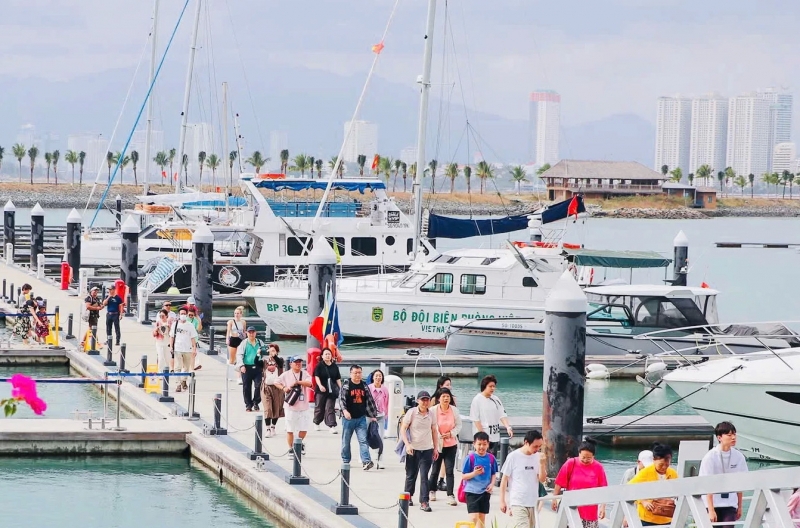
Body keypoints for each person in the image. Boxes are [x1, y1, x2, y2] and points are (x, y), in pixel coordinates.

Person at [699, 422, 748, 526]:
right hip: (712, 504)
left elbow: (741, 482)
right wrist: (711, 510)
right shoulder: (710, 457)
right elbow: (707, 484)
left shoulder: (739, 456)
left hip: (730, 503)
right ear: (719, 437)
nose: (733, 437)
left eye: (734, 434)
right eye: (729, 435)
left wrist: (739, 506)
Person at [552, 439, 608, 528]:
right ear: (579, 454)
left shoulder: (598, 467)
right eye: (583, 457)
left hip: (590, 510)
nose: (585, 460)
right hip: (572, 507)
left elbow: (604, 489)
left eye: (589, 458)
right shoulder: (571, 463)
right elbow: (559, 482)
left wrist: (603, 507)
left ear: (593, 456)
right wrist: (554, 498)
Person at [399, 390, 439, 512]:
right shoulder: (411, 413)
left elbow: (434, 431)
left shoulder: (431, 414)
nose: (425, 402)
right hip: (413, 449)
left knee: (424, 476)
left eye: (427, 400)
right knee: (411, 475)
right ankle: (408, 496)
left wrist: (436, 448)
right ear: (418, 401)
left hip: (427, 449)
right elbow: (403, 429)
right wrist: (407, 444)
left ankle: (424, 501)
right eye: (423, 400)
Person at [500, 430, 547, 528]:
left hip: (533, 501)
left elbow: (542, 480)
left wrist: (542, 464)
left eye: (539, 446)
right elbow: (504, 479)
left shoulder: (538, 456)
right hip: (518, 501)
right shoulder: (513, 456)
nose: (537, 449)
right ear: (526, 442)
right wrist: (502, 500)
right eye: (535, 446)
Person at [628, 443, 679, 526]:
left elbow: (679, 491)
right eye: (661, 465)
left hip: (667, 516)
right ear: (654, 460)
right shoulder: (645, 473)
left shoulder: (673, 474)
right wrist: (643, 501)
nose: (664, 467)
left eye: (667, 464)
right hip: (648, 517)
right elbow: (629, 487)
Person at [339, 364, 379, 471]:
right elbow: (341, 400)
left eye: (359, 373)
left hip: (361, 418)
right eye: (355, 373)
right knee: (346, 440)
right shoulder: (346, 385)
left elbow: (370, 401)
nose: (357, 375)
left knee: (363, 440)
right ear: (350, 373)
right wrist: (345, 411)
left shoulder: (364, 385)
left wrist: (373, 415)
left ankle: (366, 461)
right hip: (348, 419)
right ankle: (346, 460)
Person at [427, 387, 462, 506]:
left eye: (448, 396)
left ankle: (450, 495)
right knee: (435, 469)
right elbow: (430, 426)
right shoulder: (432, 410)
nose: (446, 398)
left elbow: (459, 425)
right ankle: (432, 490)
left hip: (451, 444)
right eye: (443, 396)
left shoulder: (454, 410)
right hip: (437, 444)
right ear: (438, 398)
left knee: (449, 470)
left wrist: (451, 434)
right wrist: (438, 435)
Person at [275, 356, 313, 456]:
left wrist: (298, 382)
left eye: (300, 362)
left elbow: (309, 383)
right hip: (290, 406)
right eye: (296, 362)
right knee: (290, 429)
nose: (298, 364)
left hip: (303, 405)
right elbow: (276, 382)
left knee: (304, 428)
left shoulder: (304, 373)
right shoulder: (286, 374)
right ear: (291, 364)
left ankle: (299, 443)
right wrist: (284, 388)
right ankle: (291, 448)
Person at [462, 431, 499, 528]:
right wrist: (474, 473)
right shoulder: (470, 458)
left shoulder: (491, 458)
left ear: (488, 444)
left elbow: (493, 473)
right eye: (479, 444)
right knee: (473, 517)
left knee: (482, 518)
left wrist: (492, 484)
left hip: (485, 492)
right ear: (474, 444)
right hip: (472, 492)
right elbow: (464, 476)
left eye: (484, 444)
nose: (481, 447)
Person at [470, 375, 513, 455]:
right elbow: (476, 419)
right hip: (482, 439)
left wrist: (508, 427)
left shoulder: (496, 399)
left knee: (492, 459)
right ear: (484, 386)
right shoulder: (477, 400)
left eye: (494, 386)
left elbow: (502, 414)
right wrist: (482, 435)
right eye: (490, 386)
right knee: (482, 459)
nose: (493, 388)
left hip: (495, 435)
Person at [169, 307, 197, 393]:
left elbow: (193, 338)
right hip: (178, 348)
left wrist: (194, 349)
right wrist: (171, 347)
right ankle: (178, 384)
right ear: (179, 315)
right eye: (182, 314)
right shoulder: (175, 324)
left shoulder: (190, 325)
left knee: (186, 367)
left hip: (187, 348)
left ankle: (184, 380)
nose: (183, 315)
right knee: (178, 366)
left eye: (185, 314)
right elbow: (172, 336)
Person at [236, 327, 265, 412]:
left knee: (258, 385)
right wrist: (241, 366)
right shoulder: (244, 343)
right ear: (247, 333)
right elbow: (239, 355)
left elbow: (264, 354)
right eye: (249, 332)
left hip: (258, 367)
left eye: (253, 332)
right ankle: (248, 404)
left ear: (255, 333)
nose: (251, 334)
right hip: (247, 367)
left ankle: (256, 402)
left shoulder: (260, 342)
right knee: (246, 387)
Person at [314, 348, 342, 433]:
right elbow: (316, 376)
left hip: (331, 390)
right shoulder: (319, 365)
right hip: (321, 390)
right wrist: (320, 385)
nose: (327, 355)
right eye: (325, 354)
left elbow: (338, 378)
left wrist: (341, 388)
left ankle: (332, 425)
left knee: (330, 407)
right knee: (319, 407)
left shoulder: (334, 366)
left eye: (329, 354)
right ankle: (316, 422)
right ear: (322, 356)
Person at [260, 343, 285, 437]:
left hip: (278, 387)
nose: (271, 352)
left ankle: (273, 427)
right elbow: (256, 362)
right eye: (270, 350)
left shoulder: (280, 360)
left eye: (273, 350)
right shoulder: (265, 361)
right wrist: (258, 354)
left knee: (277, 408)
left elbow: (280, 364)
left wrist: (274, 355)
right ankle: (267, 428)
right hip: (266, 387)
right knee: (268, 408)